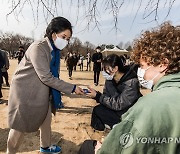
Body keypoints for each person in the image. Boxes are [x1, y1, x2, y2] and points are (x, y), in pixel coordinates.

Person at [79, 22, 180, 154]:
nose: (141, 71)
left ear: (163, 64)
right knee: (98, 110)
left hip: (125, 115)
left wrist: (101, 149)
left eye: (143, 66)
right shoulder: (111, 80)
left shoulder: (148, 104)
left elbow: (121, 146)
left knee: (87, 147)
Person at [6, 16, 84, 154]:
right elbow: (46, 77)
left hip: (42, 91)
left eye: (68, 39)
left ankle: (45, 147)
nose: (66, 41)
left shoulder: (54, 50)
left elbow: (52, 76)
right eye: (64, 37)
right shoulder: (39, 47)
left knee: (46, 119)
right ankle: (10, 152)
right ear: (53, 34)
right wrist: (72, 88)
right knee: (19, 126)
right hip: (26, 93)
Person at [86, 54, 142, 131]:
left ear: (115, 68)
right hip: (116, 109)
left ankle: (120, 128)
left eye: (106, 68)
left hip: (128, 112)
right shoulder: (110, 80)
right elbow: (107, 97)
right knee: (97, 110)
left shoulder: (131, 83)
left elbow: (119, 104)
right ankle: (104, 128)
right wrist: (95, 95)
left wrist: (98, 96)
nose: (104, 71)